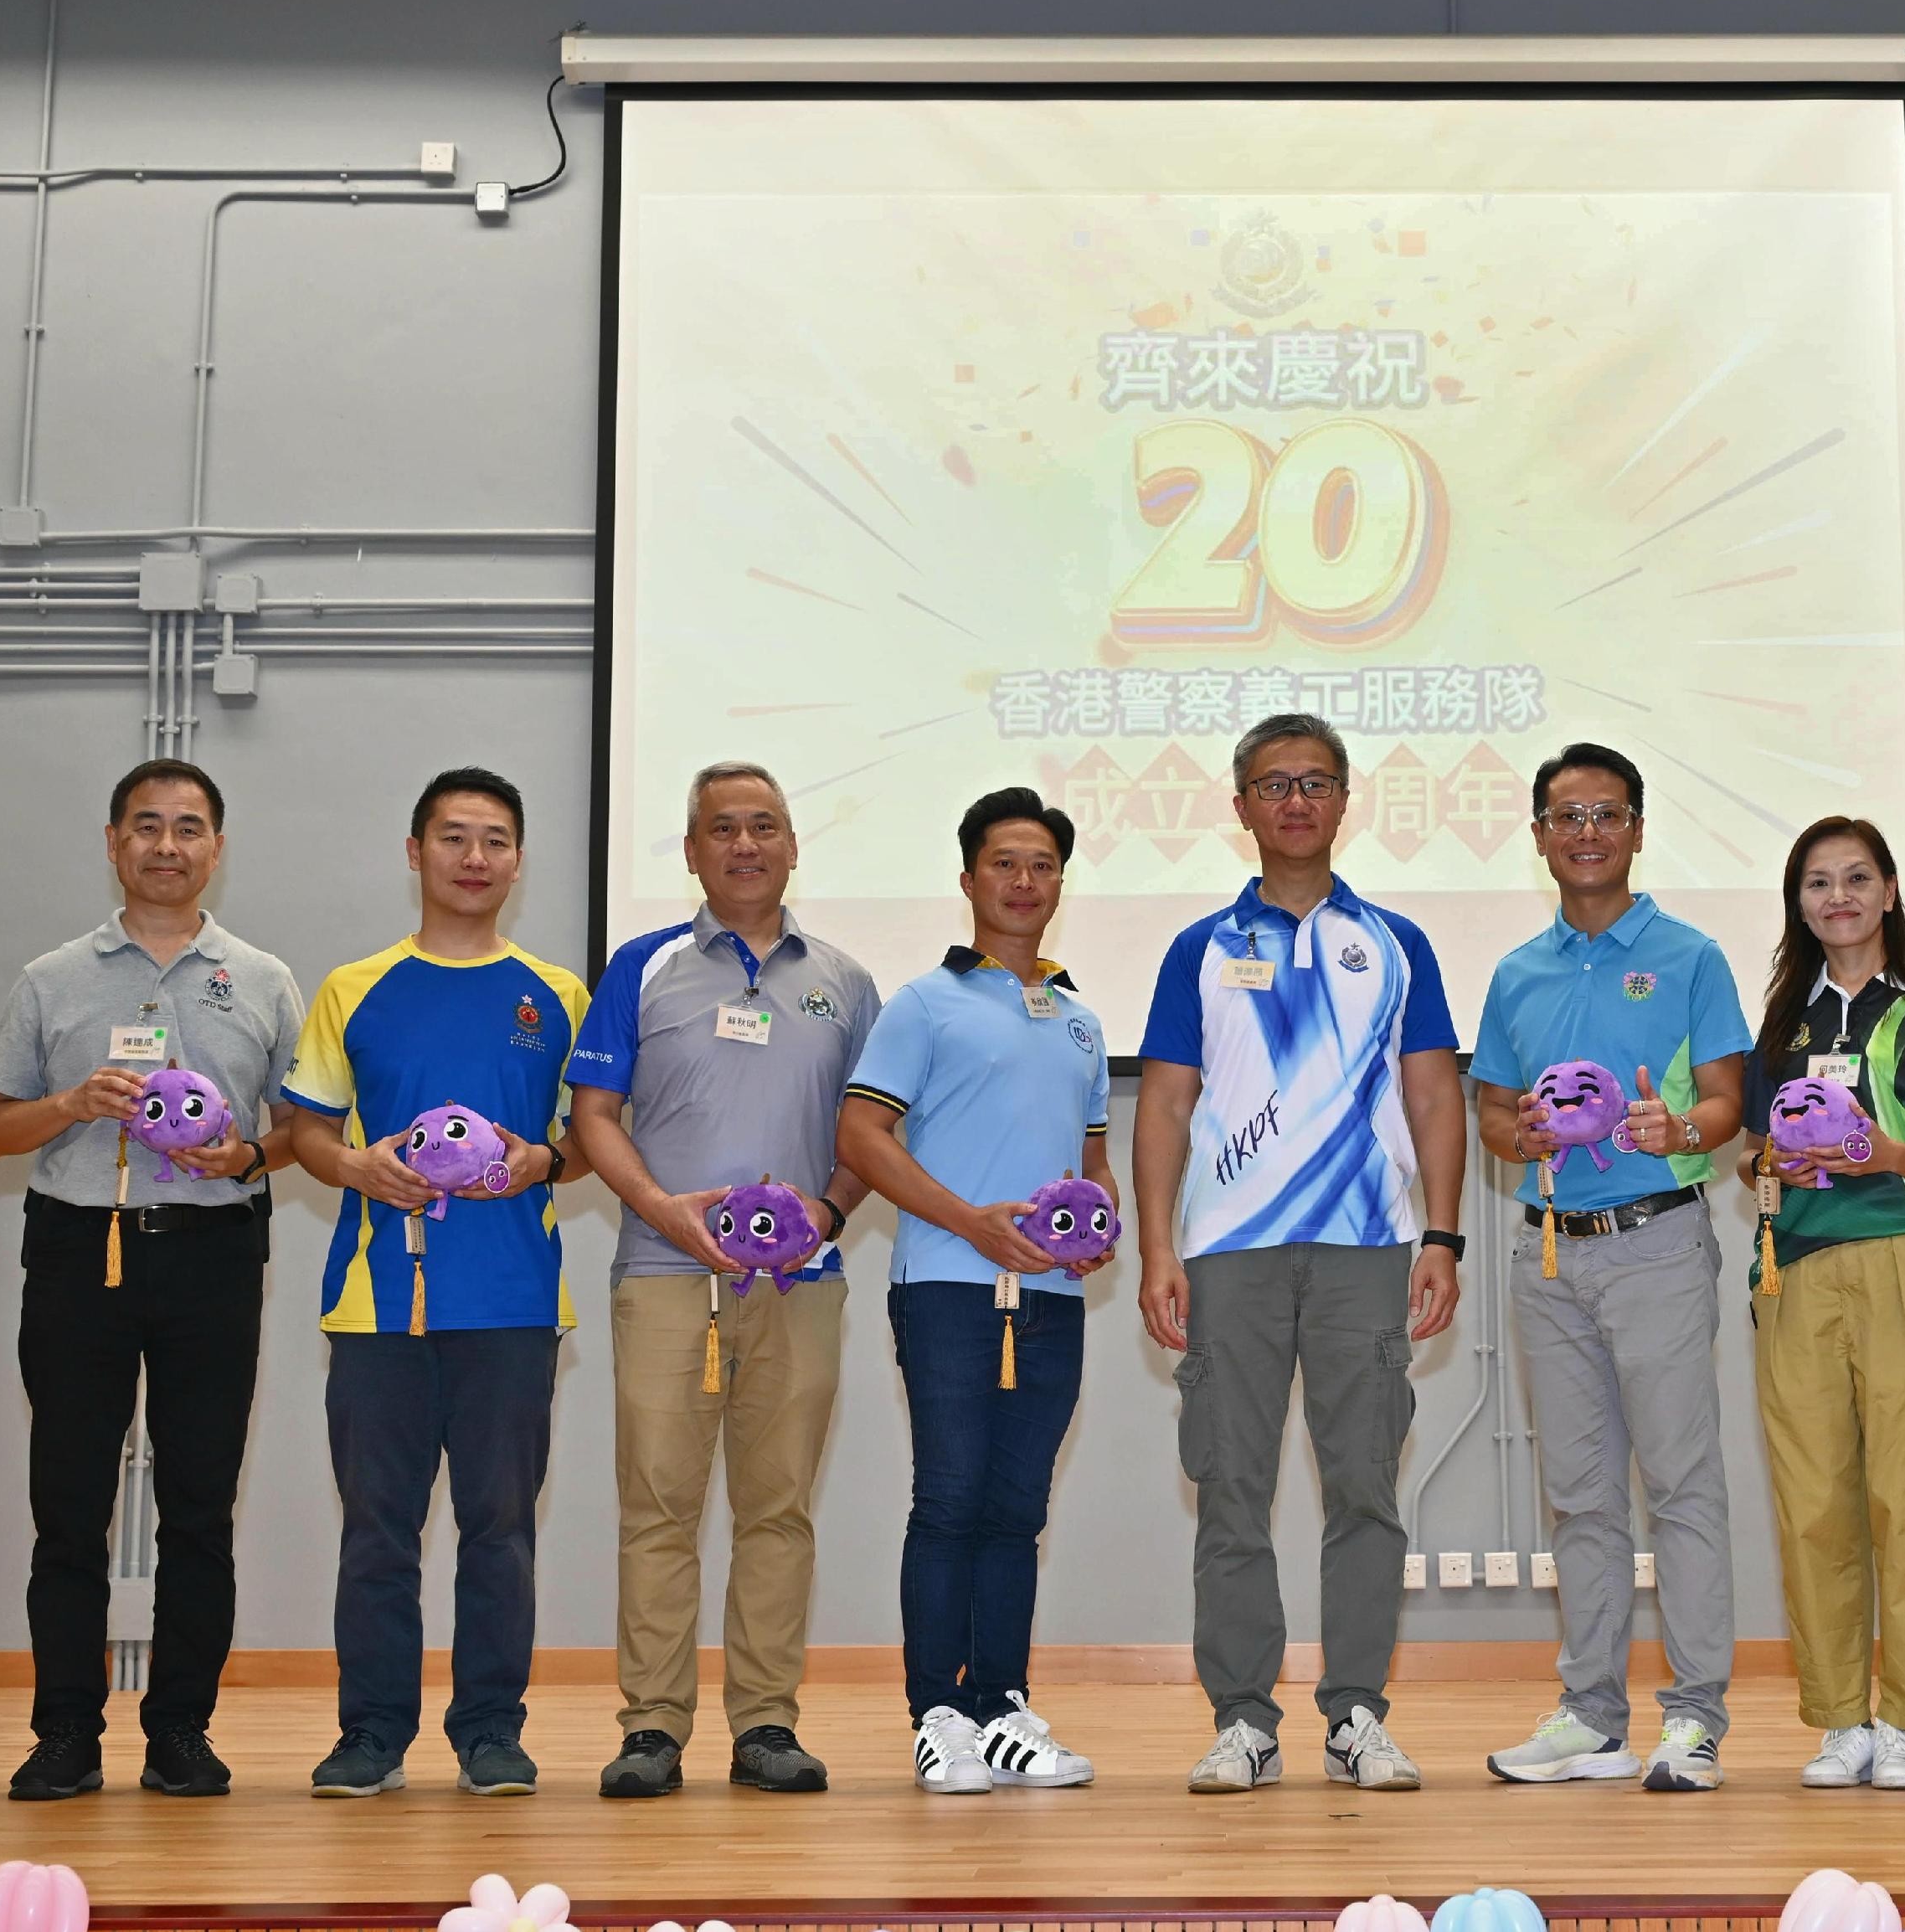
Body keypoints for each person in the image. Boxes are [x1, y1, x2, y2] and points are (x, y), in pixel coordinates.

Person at [1135, 710, 1468, 1795]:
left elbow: (1431, 1093)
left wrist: (1443, 1236)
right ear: (1240, 808)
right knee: (1231, 1488)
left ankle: (1357, 1713)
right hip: (1228, 1253)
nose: (1295, 801)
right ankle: (1243, 1718)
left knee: (1363, 1487)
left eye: (1315, 782)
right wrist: (1157, 1251)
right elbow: (1166, 1107)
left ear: (1342, 800)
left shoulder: (1398, 945)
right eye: (1273, 785)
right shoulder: (1201, 948)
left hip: (1367, 1249)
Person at [0, 759, 305, 1801]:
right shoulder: (52, 978)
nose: (168, 845)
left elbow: (305, 1129)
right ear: (114, 843)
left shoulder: (262, 979)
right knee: (69, 1504)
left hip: (210, 1252)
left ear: (217, 847)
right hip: (79, 1247)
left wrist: (248, 1156)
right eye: (147, 826)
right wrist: (71, 1104)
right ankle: (66, 1729)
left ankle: (181, 1734)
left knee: (199, 1508)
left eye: (190, 828)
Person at [566, 760, 878, 1800]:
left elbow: (870, 1132)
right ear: (693, 851)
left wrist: (828, 1214)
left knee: (777, 1510)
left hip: (802, 1284)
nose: (745, 845)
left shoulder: (846, 977)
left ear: (793, 846)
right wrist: (663, 1212)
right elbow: (593, 1120)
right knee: (657, 1508)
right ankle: (652, 1726)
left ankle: (766, 1726)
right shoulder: (642, 968)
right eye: (721, 830)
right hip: (664, 1278)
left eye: (764, 827)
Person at [276, 767, 589, 1799]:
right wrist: (356, 1166)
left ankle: (491, 1731)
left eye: (495, 840)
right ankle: (369, 1733)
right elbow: (308, 1133)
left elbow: (587, 1140)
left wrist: (541, 1161)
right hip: (378, 1304)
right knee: (379, 1531)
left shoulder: (557, 994)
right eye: (453, 838)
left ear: (517, 860)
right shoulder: (352, 987)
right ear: (416, 853)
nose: (474, 858)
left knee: (501, 1532)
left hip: (511, 1301)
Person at [1468, 744, 1752, 1793]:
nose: (1585, 831)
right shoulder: (1516, 973)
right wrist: (1522, 1139)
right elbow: (1493, 1113)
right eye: (1565, 815)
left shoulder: (1689, 957)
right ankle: (1591, 1716)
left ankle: (1694, 1719)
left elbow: (1725, 1105)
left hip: (1657, 1242)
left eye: (1606, 813)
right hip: (1547, 1252)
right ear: (1538, 834)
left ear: (1636, 829)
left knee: (1680, 1484)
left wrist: (1674, 1122)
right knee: (1580, 1497)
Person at [839, 786, 1117, 1797]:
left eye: (1042, 864)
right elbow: (859, 1139)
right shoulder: (924, 1005)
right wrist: (972, 1222)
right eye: (1004, 862)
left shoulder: (1082, 1021)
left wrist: (1095, 1229)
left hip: (1051, 1301)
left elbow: (1092, 1160)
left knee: (1016, 1509)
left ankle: (1001, 1705)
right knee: (949, 1499)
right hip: (949, 1287)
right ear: (968, 880)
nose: (1024, 881)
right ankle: (937, 1716)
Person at [1737, 815, 1905, 1795]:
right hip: (1795, 1268)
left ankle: (1904, 1721)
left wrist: (1883, 1154)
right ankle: (1839, 1719)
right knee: (1813, 1503)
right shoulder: (1781, 1019)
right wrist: (1767, 1159)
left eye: (1857, 878)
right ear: (1798, 902)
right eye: (1817, 882)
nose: (1837, 897)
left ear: (1891, 891)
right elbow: (1753, 1150)